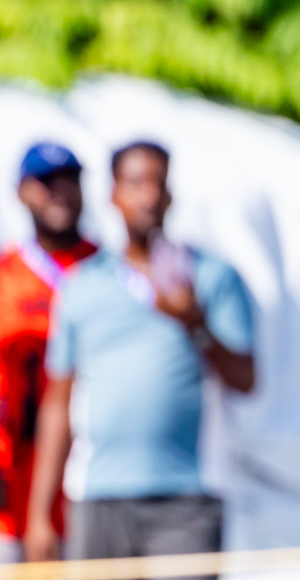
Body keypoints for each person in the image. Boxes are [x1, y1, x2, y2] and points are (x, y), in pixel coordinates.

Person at [23, 142, 255, 572]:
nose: (147, 196)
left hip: (187, 497)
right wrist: (39, 514)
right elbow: (58, 403)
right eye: (135, 184)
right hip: (98, 497)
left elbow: (245, 379)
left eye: (157, 184)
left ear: (170, 194)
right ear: (113, 194)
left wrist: (195, 324)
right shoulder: (83, 285)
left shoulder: (209, 277)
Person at [0, 144, 99, 561]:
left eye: (70, 181)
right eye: (46, 182)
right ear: (22, 191)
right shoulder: (7, 275)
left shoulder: (110, 274)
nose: (60, 192)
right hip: (12, 483)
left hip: (86, 483)